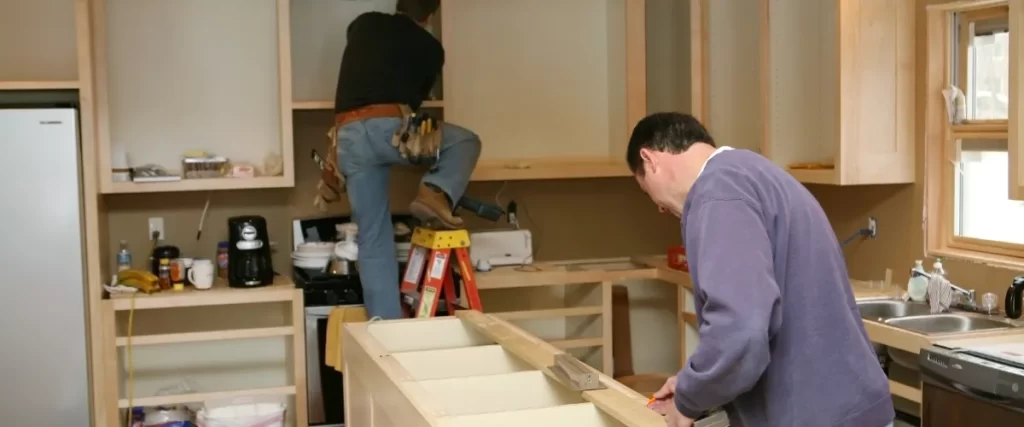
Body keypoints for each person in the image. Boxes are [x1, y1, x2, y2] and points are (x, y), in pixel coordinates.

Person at [626, 113, 894, 427]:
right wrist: (692, 383)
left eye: (647, 191)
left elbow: (741, 330)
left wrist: (687, 403)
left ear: (650, 159)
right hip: (844, 407)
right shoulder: (753, 172)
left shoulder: (717, 194)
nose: (658, 207)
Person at [332, 0, 481, 319]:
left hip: (346, 138)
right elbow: (413, 104)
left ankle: (385, 326)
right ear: (429, 17)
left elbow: (358, 46)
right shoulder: (430, 48)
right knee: (466, 141)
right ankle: (434, 191)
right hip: (388, 129)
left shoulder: (365, 23)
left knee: (372, 238)